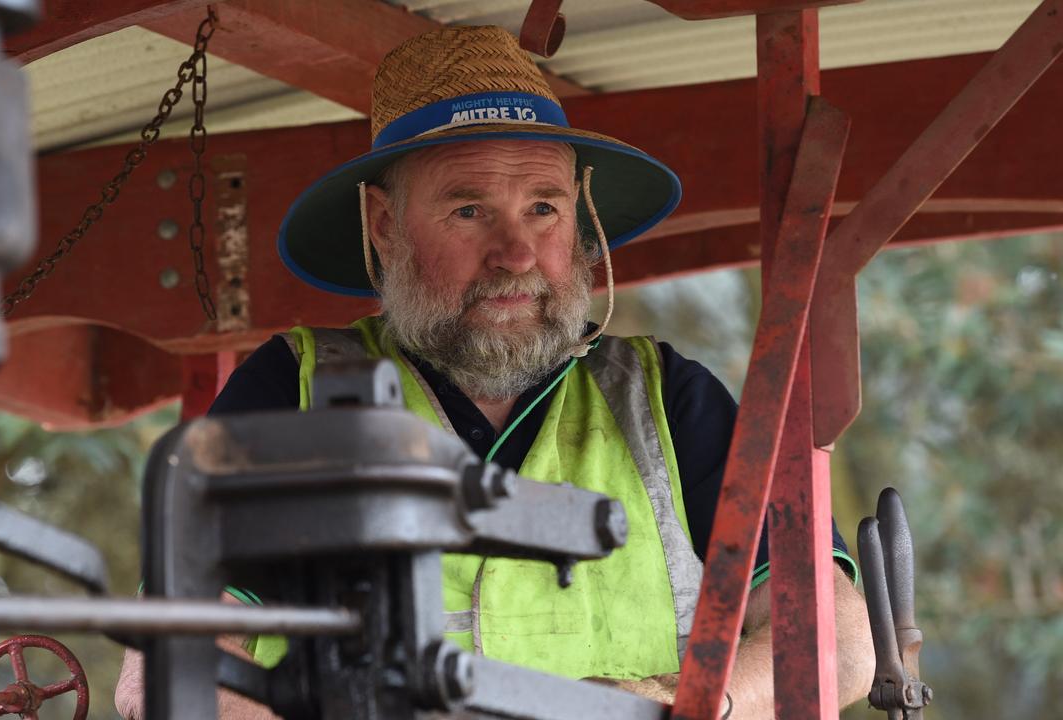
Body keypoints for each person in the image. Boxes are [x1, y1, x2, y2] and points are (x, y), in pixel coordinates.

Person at [116, 25, 873, 720]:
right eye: (470, 210)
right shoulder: (291, 395)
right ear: (386, 226)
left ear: (578, 215)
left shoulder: (671, 401)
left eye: (542, 208)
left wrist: (686, 703)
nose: (516, 253)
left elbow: (835, 645)